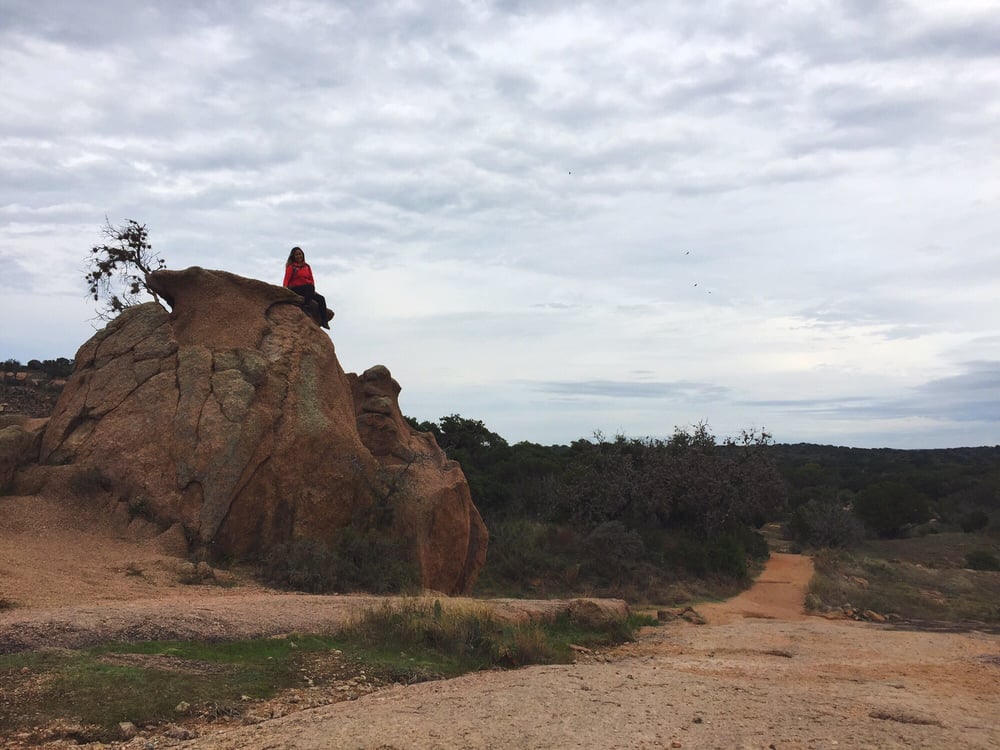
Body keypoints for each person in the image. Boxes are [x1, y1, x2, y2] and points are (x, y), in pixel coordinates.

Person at [283, 246, 332, 329]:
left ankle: (324, 321)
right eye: (297, 254)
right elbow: (286, 278)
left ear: (303, 255)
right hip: (296, 288)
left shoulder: (307, 266)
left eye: (300, 254)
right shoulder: (291, 267)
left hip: (307, 289)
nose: (299, 256)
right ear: (293, 256)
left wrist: (313, 289)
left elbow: (311, 279)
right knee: (309, 287)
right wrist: (284, 289)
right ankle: (306, 306)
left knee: (321, 298)